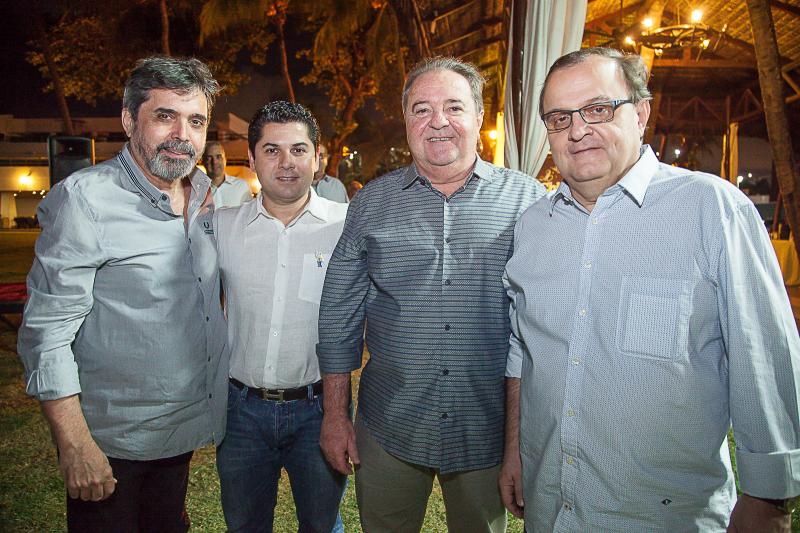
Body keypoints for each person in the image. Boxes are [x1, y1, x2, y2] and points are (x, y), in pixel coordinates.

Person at [501, 47, 800, 533]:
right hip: (551, 508)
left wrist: (768, 499)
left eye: (598, 109)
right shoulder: (533, 226)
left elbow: (762, 353)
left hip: (664, 517)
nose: (578, 130)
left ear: (640, 113)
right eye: (559, 118)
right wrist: (515, 449)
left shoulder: (711, 209)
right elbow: (523, 348)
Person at [317, 56, 546, 533]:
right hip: (390, 425)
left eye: (454, 107)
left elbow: (541, 328)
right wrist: (335, 416)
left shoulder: (529, 203)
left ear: (479, 117)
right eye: (422, 109)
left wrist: (521, 441)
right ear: (406, 121)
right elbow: (339, 314)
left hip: (488, 430)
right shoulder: (371, 203)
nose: (438, 121)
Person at [17, 56, 227, 532]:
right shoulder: (85, 200)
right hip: (111, 445)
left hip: (178, 435)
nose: (182, 134)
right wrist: (75, 445)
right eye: (165, 116)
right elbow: (46, 335)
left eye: (196, 121)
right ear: (130, 120)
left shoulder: (203, 197)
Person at [214, 101, 348, 533]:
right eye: (272, 150)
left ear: (317, 158)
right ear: (252, 159)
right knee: (245, 525)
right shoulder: (222, 227)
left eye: (298, 150)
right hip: (241, 413)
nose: (287, 162)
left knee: (322, 524)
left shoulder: (347, 227)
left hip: (320, 409)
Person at [203, 141, 253, 208]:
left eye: (218, 156)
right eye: (209, 158)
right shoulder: (196, 191)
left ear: (225, 160)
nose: (214, 162)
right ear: (203, 162)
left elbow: (250, 212)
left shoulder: (242, 186)